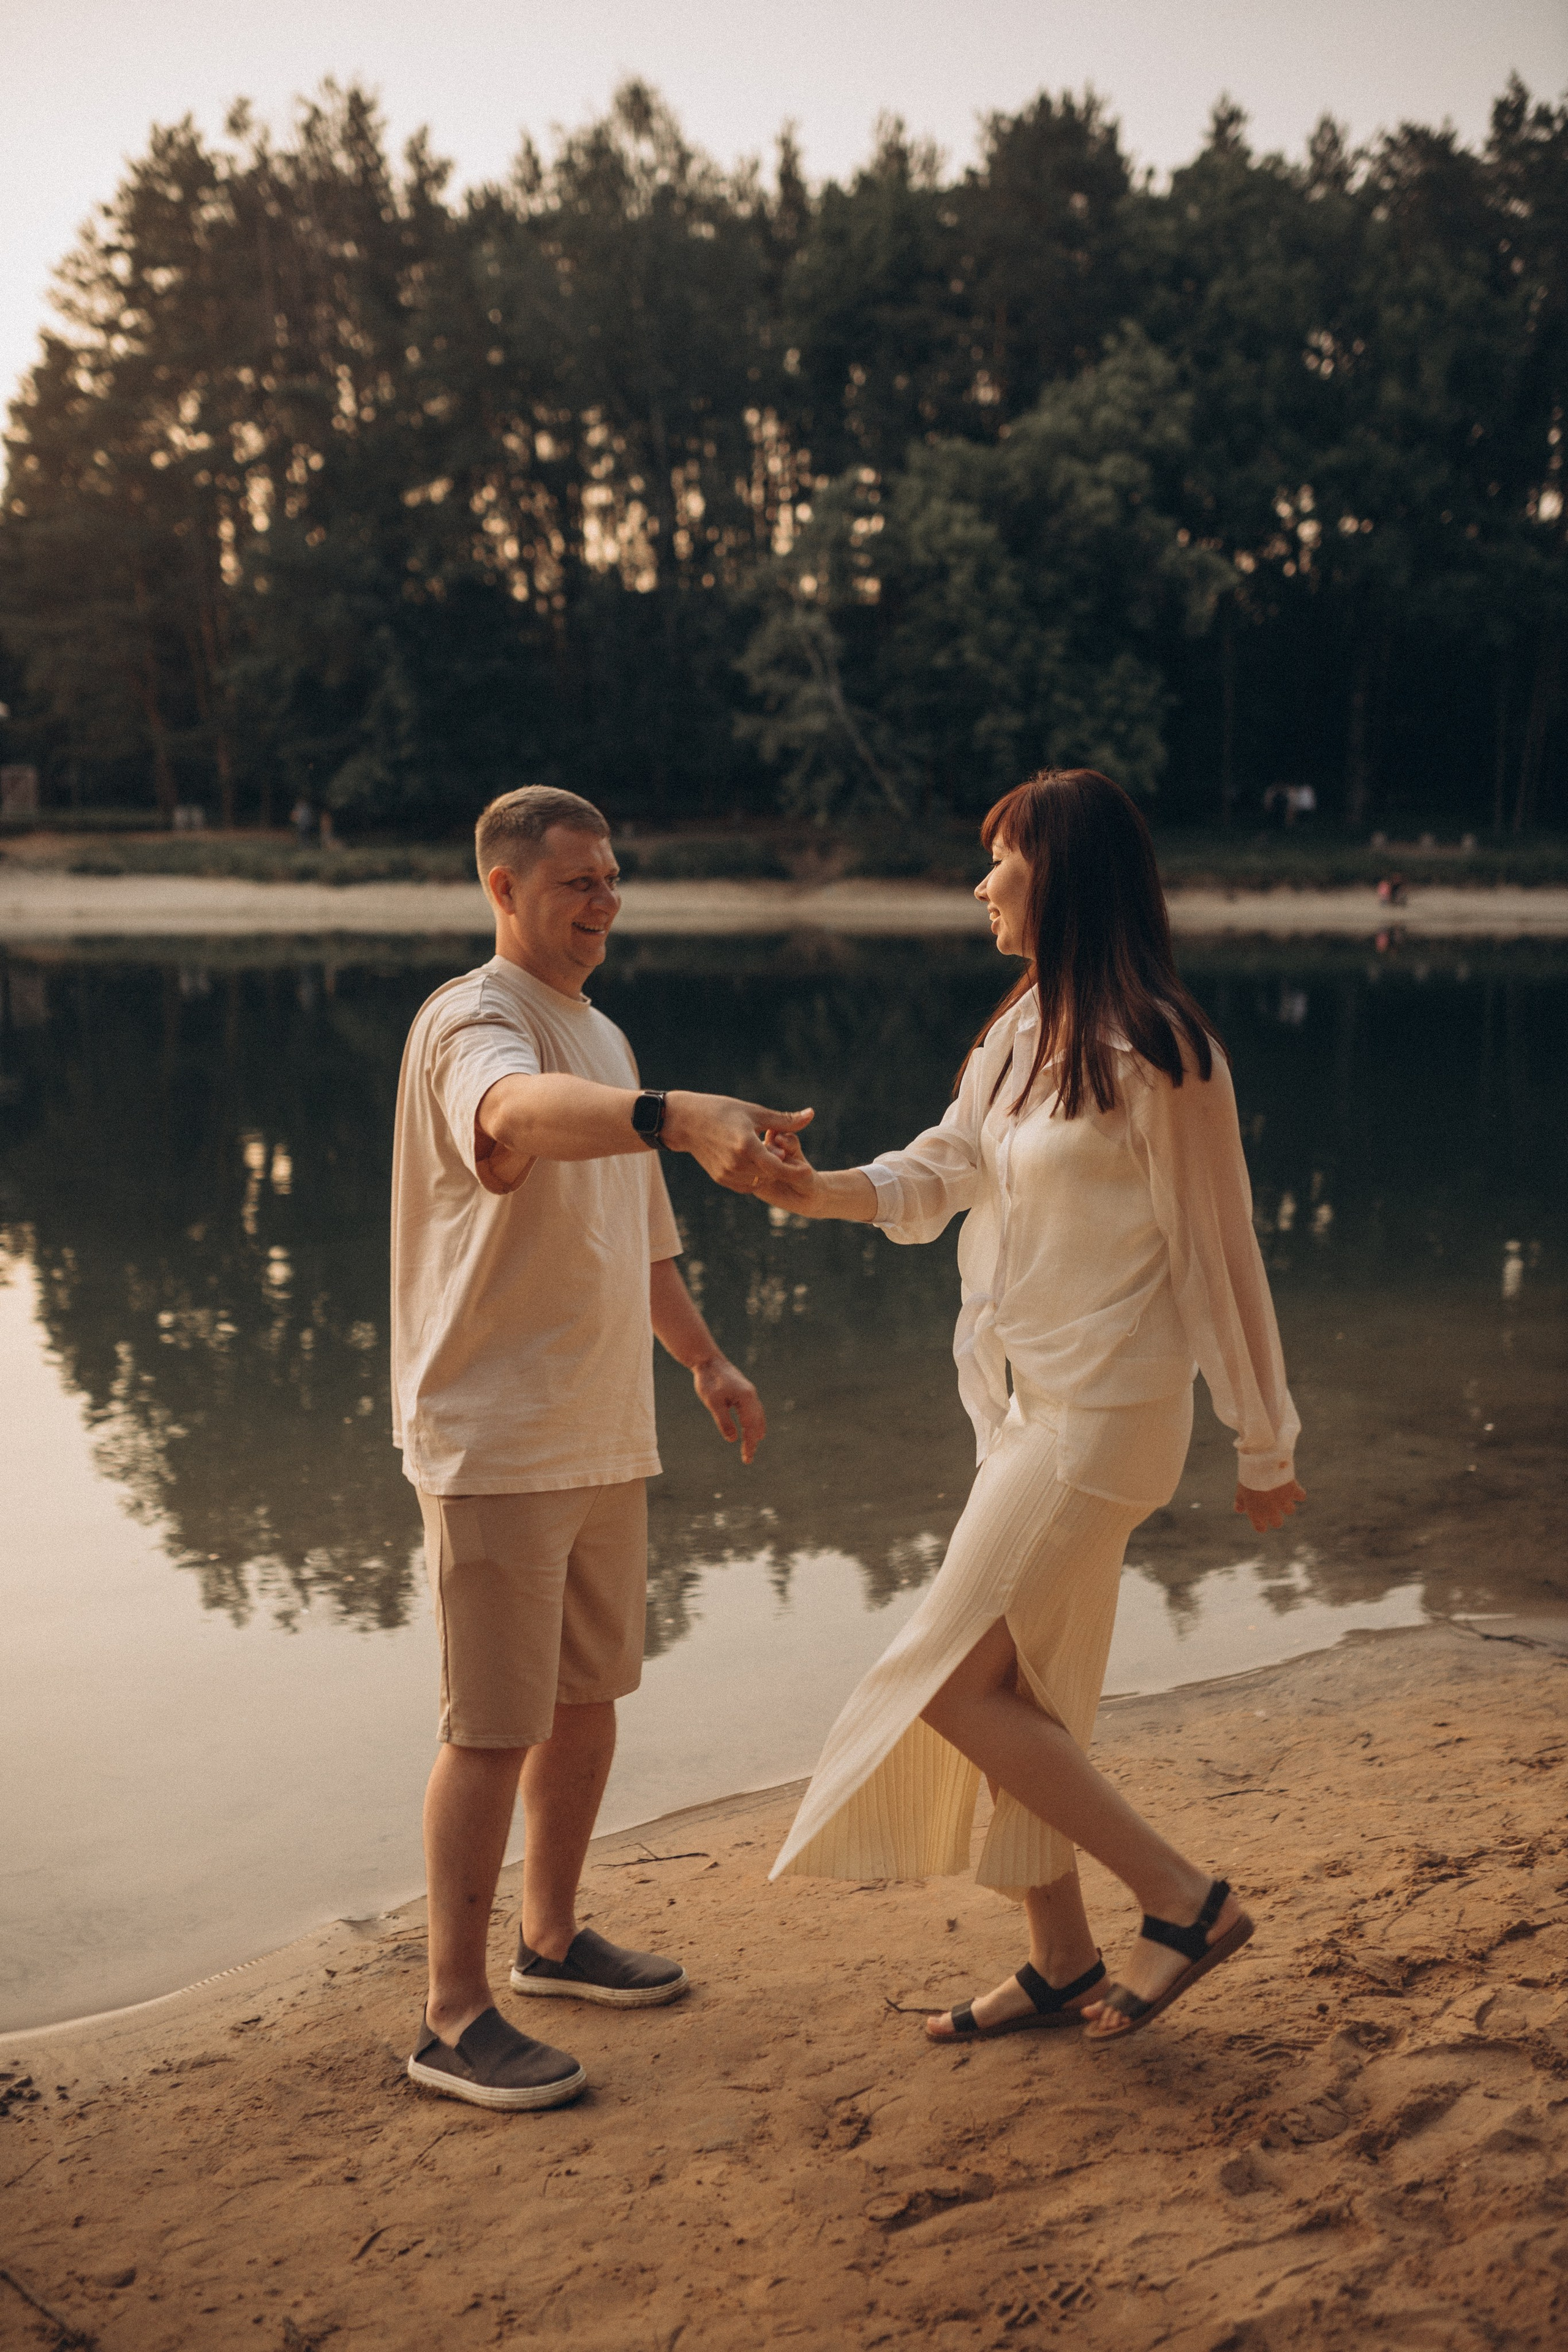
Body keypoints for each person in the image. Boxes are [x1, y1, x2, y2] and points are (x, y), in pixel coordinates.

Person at [755, 768, 1304, 2046]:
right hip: (1026, 1415)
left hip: (1103, 1422)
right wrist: (811, 1190)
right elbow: (939, 1168)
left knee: (948, 1682)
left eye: (998, 858)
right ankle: (1058, 1961)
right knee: (1029, 1691)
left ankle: (1182, 1899)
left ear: (1057, 874)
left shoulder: (1160, 1051)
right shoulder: (1016, 1034)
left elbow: (1217, 1256)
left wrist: (1260, 1436)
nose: (980, 882)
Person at [391, 785, 812, 2109]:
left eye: (612, 878)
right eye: (576, 881)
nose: (603, 901)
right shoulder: (476, 1020)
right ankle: (451, 2019)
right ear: (503, 890)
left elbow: (631, 1239)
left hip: (599, 1429)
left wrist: (703, 1358)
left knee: (587, 1703)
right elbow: (511, 1120)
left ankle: (553, 1940)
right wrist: (674, 1114)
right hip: (496, 1435)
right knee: (489, 1729)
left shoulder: (606, 1031)